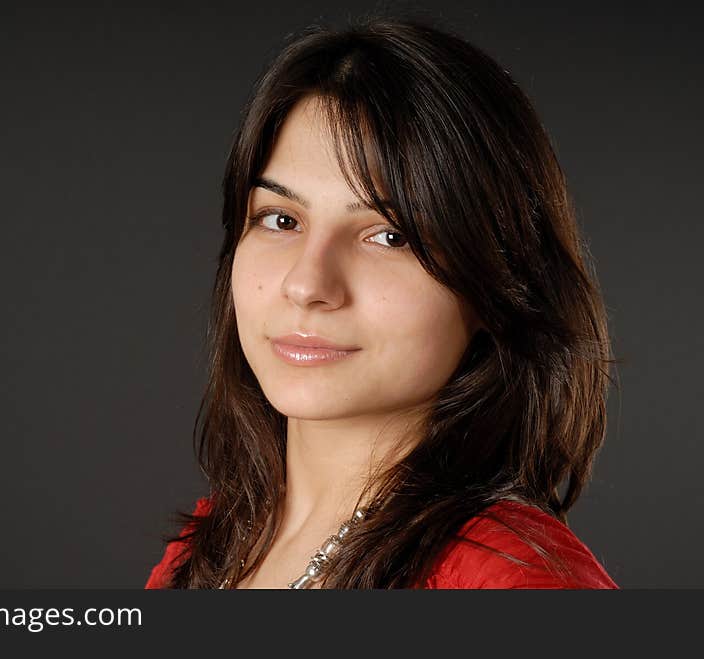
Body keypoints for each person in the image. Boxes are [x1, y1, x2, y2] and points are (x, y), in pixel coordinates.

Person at [146, 13, 619, 589]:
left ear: (492, 282)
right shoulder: (202, 551)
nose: (307, 284)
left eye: (389, 236)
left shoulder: (512, 579)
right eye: (281, 218)